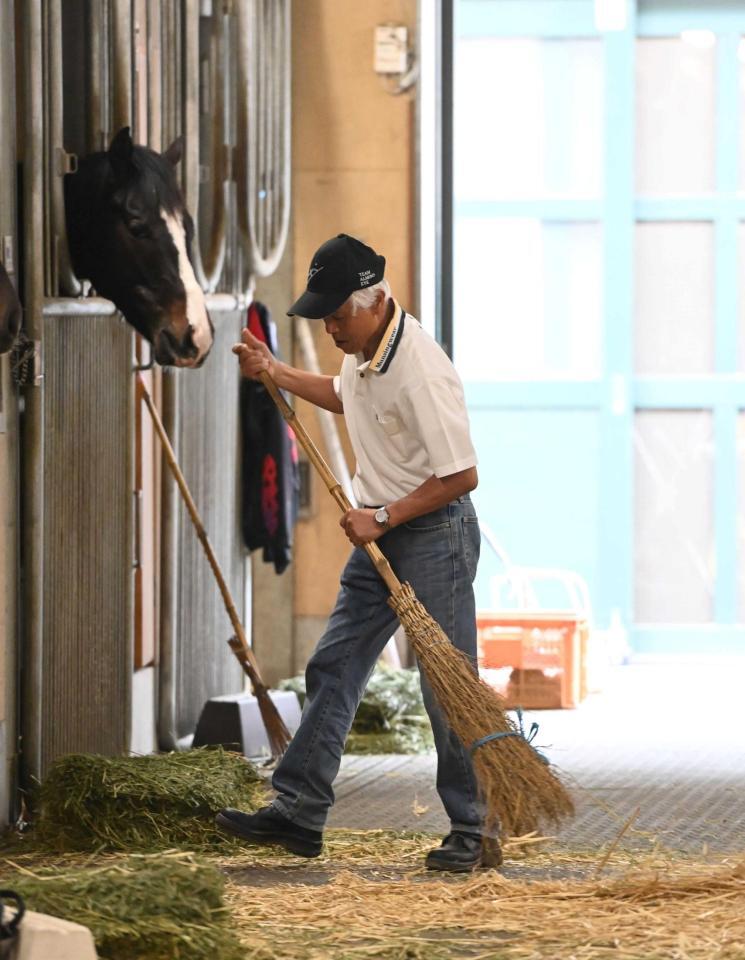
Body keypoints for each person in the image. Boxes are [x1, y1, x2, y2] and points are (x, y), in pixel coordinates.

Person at [217, 233, 500, 872]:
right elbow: (347, 396)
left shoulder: (422, 368)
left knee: (446, 687)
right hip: (381, 530)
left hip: (433, 534)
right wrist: (277, 373)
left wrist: (383, 516)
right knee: (335, 663)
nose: (331, 329)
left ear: (377, 301)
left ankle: (476, 828)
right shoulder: (365, 351)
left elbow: (461, 475)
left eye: (338, 315)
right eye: (323, 317)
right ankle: (299, 812)